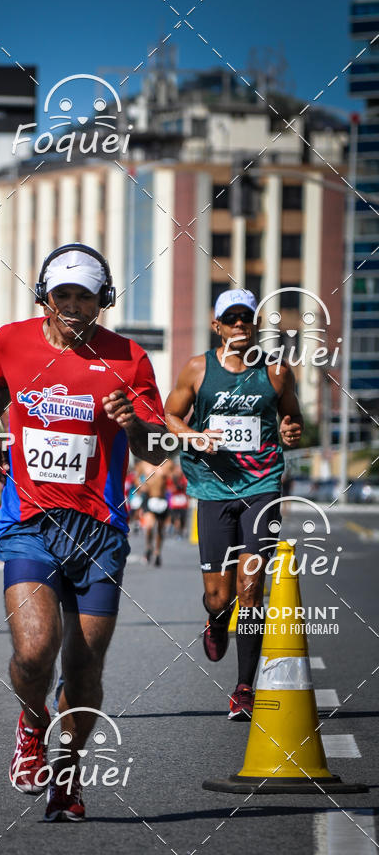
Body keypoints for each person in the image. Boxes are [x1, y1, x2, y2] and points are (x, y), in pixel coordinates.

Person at [0, 243, 166, 822]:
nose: (75, 306)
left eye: (86, 296)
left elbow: (155, 447)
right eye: (64, 296)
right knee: (34, 652)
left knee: (84, 668)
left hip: (100, 532)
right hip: (30, 523)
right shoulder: (12, 339)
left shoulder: (130, 358)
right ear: (46, 298)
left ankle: (68, 772)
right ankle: (33, 722)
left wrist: (135, 426)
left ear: (103, 301)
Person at [164, 289, 303, 721]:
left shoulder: (277, 371)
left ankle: (245, 686)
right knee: (218, 595)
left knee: (250, 587)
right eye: (232, 318)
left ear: (255, 325)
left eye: (247, 318)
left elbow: (292, 417)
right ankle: (216, 620)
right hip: (211, 489)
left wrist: (289, 429)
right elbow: (168, 415)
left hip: (262, 487)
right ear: (217, 325)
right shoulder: (198, 369)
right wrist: (192, 437)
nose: (240, 324)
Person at [134, 459, 172, 566]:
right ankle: (148, 547)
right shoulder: (144, 463)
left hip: (161, 498)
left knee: (160, 529)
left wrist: (168, 476)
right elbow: (136, 477)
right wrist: (141, 486)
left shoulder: (167, 464)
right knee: (149, 526)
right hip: (148, 497)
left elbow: (175, 476)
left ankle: (157, 552)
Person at [168, 464, 189, 537]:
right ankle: (177, 531)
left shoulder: (184, 479)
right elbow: (169, 489)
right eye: (177, 470)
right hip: (175, 503)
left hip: (183, 503)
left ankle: (181, 530)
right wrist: (175, 488)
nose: (178, 472)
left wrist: (183, 488)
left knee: (183, 518)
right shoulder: (172, 479)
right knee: (176, 518)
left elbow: (187, 489)